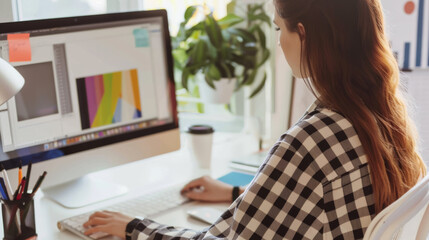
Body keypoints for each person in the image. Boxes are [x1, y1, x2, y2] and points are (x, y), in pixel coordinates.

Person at [83, 0, 427, 239]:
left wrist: (134, 227)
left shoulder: (311, 140)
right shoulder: (382, 113)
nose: (279, 42)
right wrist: (236, 192)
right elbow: (321, 198)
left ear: (303, 35)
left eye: (280, 28)